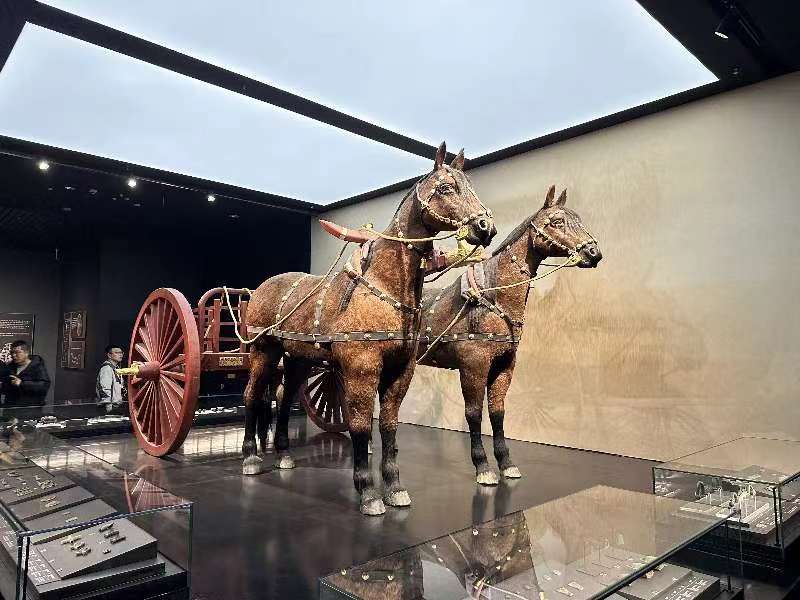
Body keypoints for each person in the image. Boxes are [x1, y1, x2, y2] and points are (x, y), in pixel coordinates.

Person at [3, 340, 50, 406]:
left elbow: (43, 386)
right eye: (12, 352)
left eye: (17, 352)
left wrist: (21, 383)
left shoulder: (37, 366)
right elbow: (6, 388)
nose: (13, 355)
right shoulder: (10, 367)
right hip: (11, 407)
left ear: (26, 353)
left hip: (30, 408)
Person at [96, 345, 127, 414]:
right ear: (109, 355)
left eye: (121, 352)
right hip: (109, 407)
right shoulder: (106, 368)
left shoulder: (116, 368)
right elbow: (104, 388)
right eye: (117, 352)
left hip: (116, 406)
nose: (120, 355)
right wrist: (108, 406)